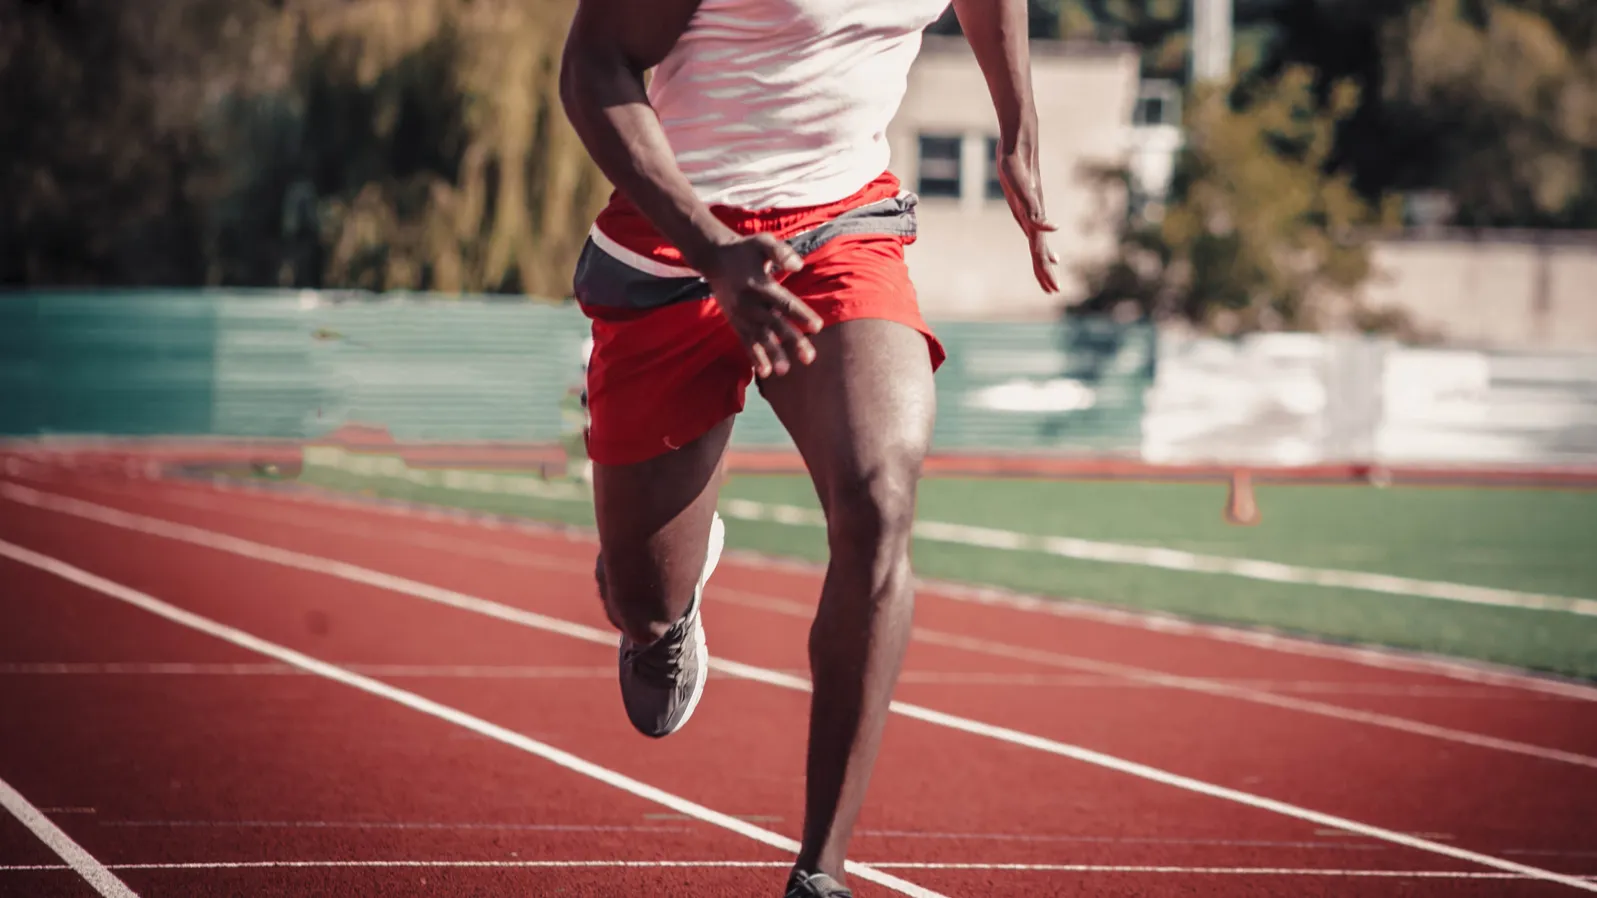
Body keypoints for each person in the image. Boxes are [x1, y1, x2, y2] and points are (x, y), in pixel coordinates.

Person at [559, 1, 1058, 894]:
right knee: (641, 602)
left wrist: (1018, 131)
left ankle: (820, 871)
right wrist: (713, 249)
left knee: (879, 502)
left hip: (841, 229)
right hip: (675, 243)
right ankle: (664, 612)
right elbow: (592, 67)